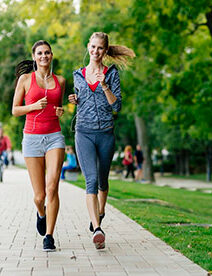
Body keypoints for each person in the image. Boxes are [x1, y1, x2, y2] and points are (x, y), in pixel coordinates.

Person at [68, 32, 135, 249]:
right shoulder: (78, 75)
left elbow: (116, 107)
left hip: (105, 133)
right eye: (93, 47)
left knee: (103, 182)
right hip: (83, 133)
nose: (95, 51)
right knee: (92, 180)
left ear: (105, 51)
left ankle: (101, 212)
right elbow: (82, 101)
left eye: (100, 48)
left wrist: (105, 85)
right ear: (88, 46)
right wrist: (75, 100)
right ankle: (97, 229)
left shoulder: (112, 74)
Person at [12, 40, 65, 252]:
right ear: (34, 57)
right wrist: (33, 106)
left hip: (54, 137)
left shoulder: (60, 80)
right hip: (32, 138)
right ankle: (41, 213)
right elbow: (15, 110)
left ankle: (49, 236)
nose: (44, 56)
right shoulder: (25, 79)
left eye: (47, 53)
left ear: (51, 56)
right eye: (40, 53)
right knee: (39, 196)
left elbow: (57, 107)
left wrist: (60, 111)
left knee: (52, 187)